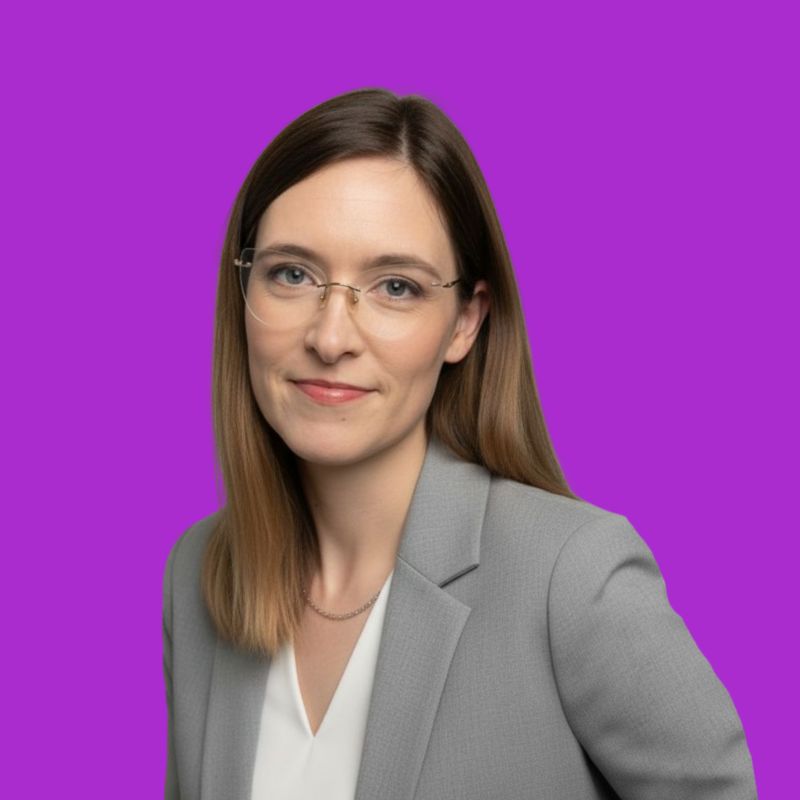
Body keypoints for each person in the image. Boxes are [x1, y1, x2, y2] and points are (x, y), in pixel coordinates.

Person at [162, 88, 757, 800]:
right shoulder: (197, 572)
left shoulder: (568, 577)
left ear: (465, 323)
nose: (330, 337)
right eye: (292, 274)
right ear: (243, 290)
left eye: (395, 286)